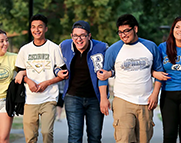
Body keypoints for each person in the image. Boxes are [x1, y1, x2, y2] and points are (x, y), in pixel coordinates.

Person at [99, 14, 164, 143]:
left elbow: (159, 73)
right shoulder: (113, 50)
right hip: (123, 100)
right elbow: (103, 75)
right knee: (124, 139)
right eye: (120, 32)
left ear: (135, 29)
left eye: (126, 31)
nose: (123, 35)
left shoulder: (150, 47)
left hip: (146, 102)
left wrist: (155, 95)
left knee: (144, 140)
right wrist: (103, 99)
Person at [56, 20, 111, 143]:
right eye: (75, 36)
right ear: (71, 36)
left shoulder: (101, 47)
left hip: (95, 98)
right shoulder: (64, 46)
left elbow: (111, 69)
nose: (78, 39)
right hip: (73, 97)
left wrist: (104, 97)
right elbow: (55, 65)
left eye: (82, 35)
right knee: (75, 137)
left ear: (89, 36)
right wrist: (57, 72)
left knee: (95, 137)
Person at [15, 14, 65, 143]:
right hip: (30, 99)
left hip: (49, 98)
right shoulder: (25, 50)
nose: (36, 30)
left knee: (46, 132)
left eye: (40, 27)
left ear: (46, 29)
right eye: (33, 27)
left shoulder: (54, 48)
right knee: (30, 137)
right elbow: (20, 72)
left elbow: (64, 73)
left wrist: (47, 83)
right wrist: (29, 81)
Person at [155, 16, 181, 143]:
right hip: (168, 95)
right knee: (169, 135)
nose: (180, 30)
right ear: (173, 29)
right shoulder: (162, 47)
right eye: (177, 27)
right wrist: (155, 73)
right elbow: (154, 67)